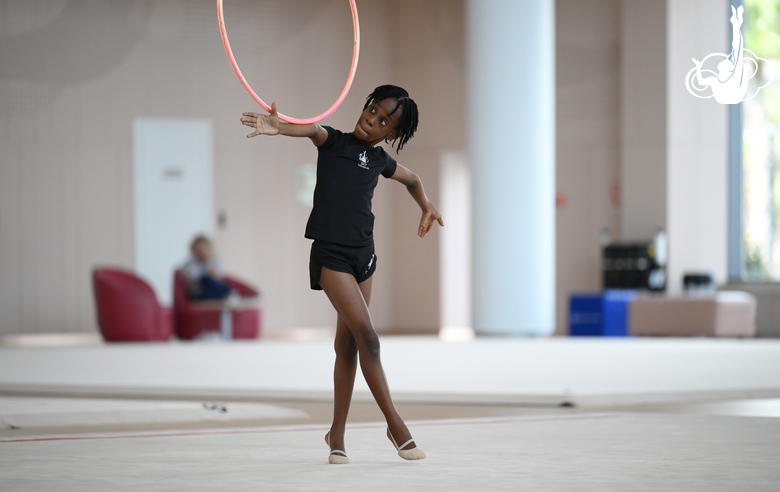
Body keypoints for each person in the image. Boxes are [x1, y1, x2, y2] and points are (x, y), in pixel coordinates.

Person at [240, 85, 443, 464]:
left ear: (391, 134)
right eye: (372, 110)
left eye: (384, 121)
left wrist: (426, 205)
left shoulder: (380, 160)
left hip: (364, 257)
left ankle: (337, 433)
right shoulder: (333, 141)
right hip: (331, 255)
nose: (372, 119)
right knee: (370, 339)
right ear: (365, 106)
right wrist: (277, 127)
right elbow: (310, 129)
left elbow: (413, 180)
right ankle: (395, 425)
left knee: (347, 345)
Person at [692, 5, 748, 104]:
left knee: (737, 51)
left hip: (733, 96)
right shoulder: (715, 80)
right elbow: (701, 82)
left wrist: (736, 26)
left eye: (726, 61)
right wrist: (698, 67)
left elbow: (737, 50)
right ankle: (736, 23)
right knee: (736, 51)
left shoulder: (733, 79)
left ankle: (736, 23)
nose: (725, 59)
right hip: (729, 97)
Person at [181, 235, 233, 300]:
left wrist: (208, 260)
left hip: (214, 289)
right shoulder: (189, 264)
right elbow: (189, 284)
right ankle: (228, 295)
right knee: (205, 280)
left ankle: (228, 295)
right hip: (200, 292)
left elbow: (217, 278)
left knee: (213, 282)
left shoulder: (215, 260)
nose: (200, 252)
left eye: (202, 249)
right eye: (197, 250)